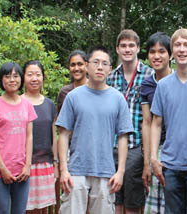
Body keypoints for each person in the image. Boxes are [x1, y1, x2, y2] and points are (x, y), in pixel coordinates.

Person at [56, 46, 134, 213]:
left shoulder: (118, 99)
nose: (100, 67)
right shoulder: (73, 97)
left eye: (105, 63)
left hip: (105, 171)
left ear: (110, 69)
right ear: (87, 65)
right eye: (96, 62)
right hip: (75, 170)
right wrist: (63, 169)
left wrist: (120, 171)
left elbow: (123, 137)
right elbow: (62, 134)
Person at [149, 28, 187, 214]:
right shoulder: (163, 85)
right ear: (172, 51)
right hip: (170, 164)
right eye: (177, 45)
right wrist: (153, 158)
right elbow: (156, 123)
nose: (182, 49)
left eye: (186, 45)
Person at [108, 29, 154, 214]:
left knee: (134, 201)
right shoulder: (110, 77)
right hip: (111, 144)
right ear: (117, 49)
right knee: (114, 198)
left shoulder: (149, 75)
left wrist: (148, 154)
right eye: (123, 46)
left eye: (131, 46)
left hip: (136, 145)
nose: (127, 49)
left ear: (138, 48)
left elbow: (153, 118)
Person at [0, 62, 37, 214]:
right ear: (1, 80)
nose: (12, 80)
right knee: (2, 211)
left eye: (16, 76)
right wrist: (3, 170)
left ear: (21, 79)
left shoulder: (27, 105)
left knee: (20, 211)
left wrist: (27, 166)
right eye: (7, 76)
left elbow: (29, 136)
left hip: (22, 171)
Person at [141, 32, 173, 214]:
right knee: (156, 201)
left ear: (170, 54)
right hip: (157, 148)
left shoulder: (179, 80)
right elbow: (147, 122)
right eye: (152, 52)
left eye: (162, 51)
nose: (157, 56)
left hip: (178, 148)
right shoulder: (147, 85)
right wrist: (148, 160)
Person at [21, 60, 59, 211]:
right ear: (23, 77)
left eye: (38, 74)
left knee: (42, 208)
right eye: (30, 74)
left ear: (43, 77)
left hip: (45, 164)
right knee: (24, 207)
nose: (34, 78)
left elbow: (54, 136)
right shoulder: (18, 102)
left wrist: (55, 163)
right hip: (23, 166)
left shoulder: (49, 104)